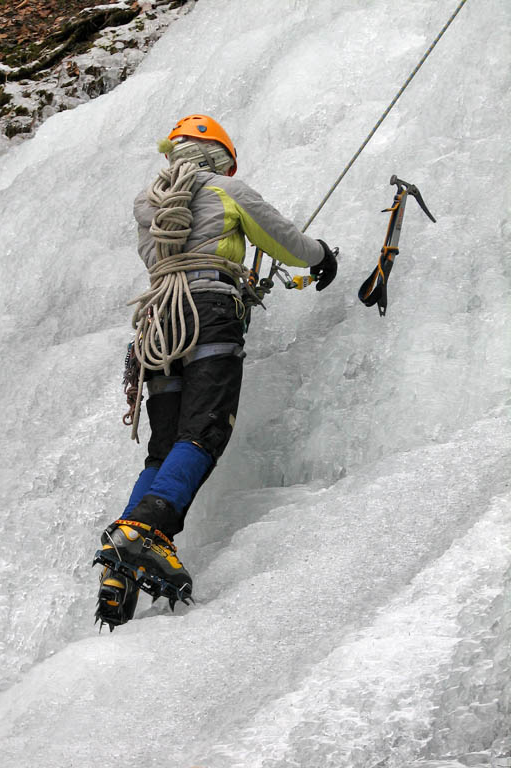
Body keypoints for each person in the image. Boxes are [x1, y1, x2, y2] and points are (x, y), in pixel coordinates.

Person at [94, 114, 337, 629]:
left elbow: (178, 257)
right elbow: (285, 241)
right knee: (204, 429)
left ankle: (119, 565)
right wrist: (320, 258)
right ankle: (147, 531)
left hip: (159, 324)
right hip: (207, 312)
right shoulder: (227, 190)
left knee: (164, 447)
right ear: (219, 156)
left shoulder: (150, 203)